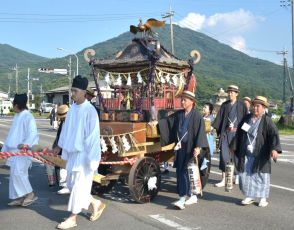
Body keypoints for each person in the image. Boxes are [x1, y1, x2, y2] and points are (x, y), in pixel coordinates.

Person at [53, 75, 105, 229]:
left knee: (77, 187)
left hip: (84, 156)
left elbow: (93, 138)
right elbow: (65, 131)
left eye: (75, 91)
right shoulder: (73, 108)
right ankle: (96, 203)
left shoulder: (90, 111)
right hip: (73, 154)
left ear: (83, 92)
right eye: (72, 91)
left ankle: (72, 218)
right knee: (71, 184)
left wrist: (93, 160)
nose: (72, 94)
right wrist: (59, 146)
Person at [151, 90, 208, 210]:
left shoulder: (197, 116)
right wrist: (157, 123)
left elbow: (200, 132)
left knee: (190, 171)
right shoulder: (179, 114)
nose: (182, 102)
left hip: (191, 148)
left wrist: (198, 147)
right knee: (181, 171)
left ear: (191, 102)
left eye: (184, 100)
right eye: (181, 99)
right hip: (181, 147)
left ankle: (191, 195)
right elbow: (167, 121)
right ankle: (183, 196)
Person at [230, 96, 282, 207]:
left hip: (260, 153)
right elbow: (240, 133)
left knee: (261, 175)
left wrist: (274, 149)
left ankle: (263, 198)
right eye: (254, 106)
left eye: (258, 106)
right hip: (246, 152)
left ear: (263, 108)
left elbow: (273, 134)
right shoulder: (247, 119)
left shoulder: (266, 121)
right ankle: (250, 196)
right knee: (246, 175)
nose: (255, 108)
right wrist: (234, 146)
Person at [2, 93, 39, 206]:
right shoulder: (17, 115)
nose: (13, 106)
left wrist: (26, 144)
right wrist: (5, 149)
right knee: (14, 175)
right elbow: (12, 134)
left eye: (13, 104)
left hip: (23, 151)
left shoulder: (28, 116)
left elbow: (33, 133)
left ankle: (30, 194)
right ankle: (19, 197)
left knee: (20, 173)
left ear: (17, 105)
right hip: (14, 151)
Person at [212, 85, 247, 187]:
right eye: (229, 92)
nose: (230, 94)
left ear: (237, 93)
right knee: (224, 156)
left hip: (237, 134)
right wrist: (215, 129)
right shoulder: (224, 105)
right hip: (226, 133)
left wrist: (245, 134)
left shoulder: (242, 105)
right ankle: (224, 179)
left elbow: (246, 119)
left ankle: (236, 177)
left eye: (233, 92)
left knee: (236, 157)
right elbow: (219, 119)